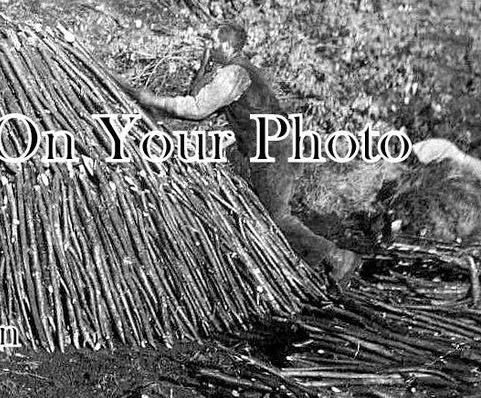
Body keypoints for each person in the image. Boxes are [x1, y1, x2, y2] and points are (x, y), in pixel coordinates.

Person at [117, 21, 361, 283]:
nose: (209, 46)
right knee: (231, 168)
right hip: (265, 146)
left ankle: (337, 258)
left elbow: (198, 109)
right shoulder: (235, 71)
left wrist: (152, 100)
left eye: (213, 42)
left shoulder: (234, 74)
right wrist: (204, 69)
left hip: (275, 149)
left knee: (277, 216)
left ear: (227, 45)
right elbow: (200, 100)